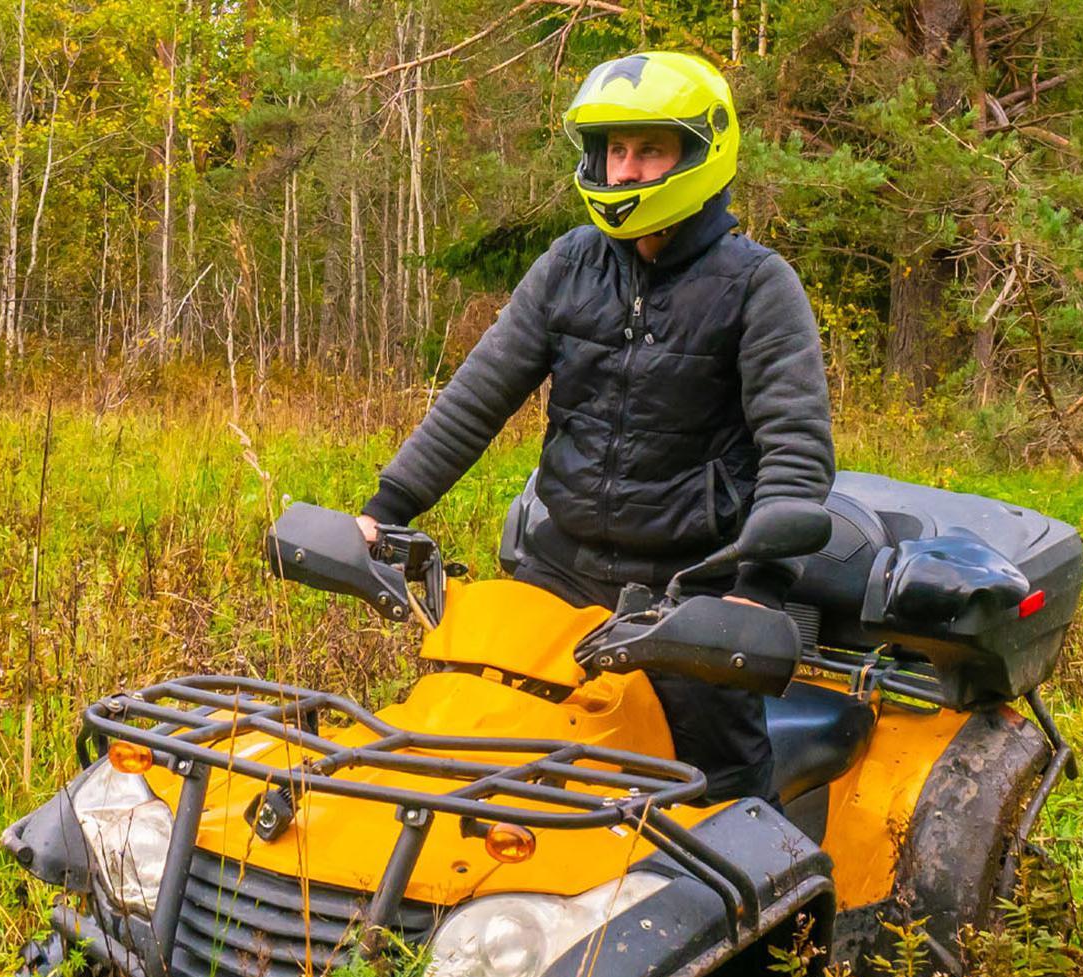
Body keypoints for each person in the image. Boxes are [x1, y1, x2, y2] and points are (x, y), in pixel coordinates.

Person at [356, 51, 833, 802]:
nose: (626, 169)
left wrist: (755, 588)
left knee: (713, 789)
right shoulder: (571, 263)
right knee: (484, 747)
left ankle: (777, 917)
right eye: (615, 150)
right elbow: (479, 394)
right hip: (559, 568)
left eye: (649, 150)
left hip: (692, 586)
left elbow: (794, 446)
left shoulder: (756, 284)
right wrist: (384, 512)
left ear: (701, 152)